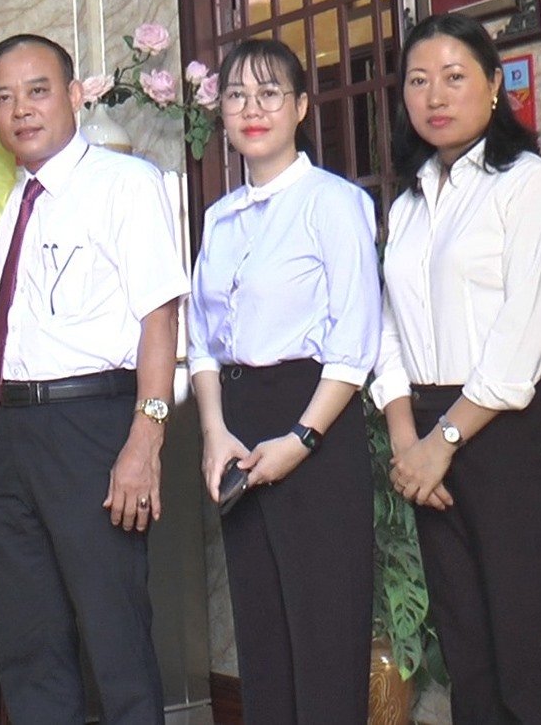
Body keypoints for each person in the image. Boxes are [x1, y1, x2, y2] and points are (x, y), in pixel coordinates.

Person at [0, 34, 186, 725]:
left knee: (113, 631)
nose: (20, 109)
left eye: (37, 90)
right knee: (28, 639)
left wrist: (145, 440)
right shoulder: (16, 200)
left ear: (75, 94)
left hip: (92, 427)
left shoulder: (125, 184)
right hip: (12, 435)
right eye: (2, 97)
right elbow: (2, 338)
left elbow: (158, 317)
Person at [374, 12, 541, 724]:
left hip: (509, 435)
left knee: (529, 657)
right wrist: (407, 439)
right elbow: (387, 328)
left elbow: (521, 337)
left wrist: (443, 441)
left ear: (495, 86)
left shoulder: (530, 187)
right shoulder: (406, 206)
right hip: (428, 438)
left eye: (454, 76)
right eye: (418, 80)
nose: (435, 95)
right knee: (468, 658)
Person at [187, 39, 379, 724]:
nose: (251, 108)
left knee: (323, 636)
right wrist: (212, 433)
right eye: (235, 95)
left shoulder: (333, 202)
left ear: (299, 107)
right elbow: (201, 341)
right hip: (235, 426)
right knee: (262, 636)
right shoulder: (218, 216)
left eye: (269, 93)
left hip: (313, 421)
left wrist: (300, 437)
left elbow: (354, 345)